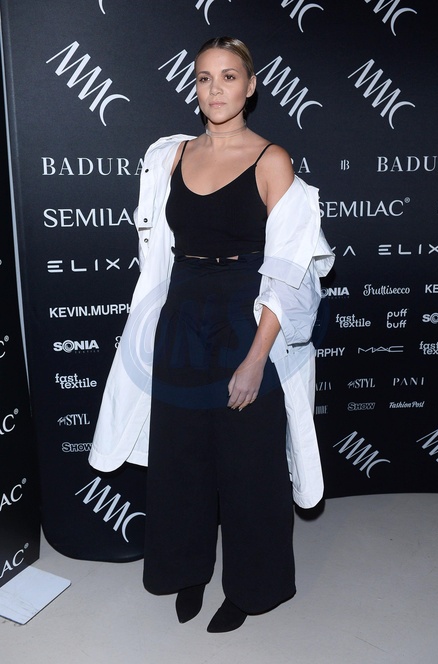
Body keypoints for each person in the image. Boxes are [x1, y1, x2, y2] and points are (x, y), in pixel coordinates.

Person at [89, 36, 334, 633]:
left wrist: (255, 359)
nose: (215, 88)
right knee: (180, 456)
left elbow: (289, 271)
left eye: (228, 76)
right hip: (181, 316)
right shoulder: (170, 157)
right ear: (194, 87)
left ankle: (253, 588)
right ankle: (187, 570)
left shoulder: (272, 160)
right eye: (204, 77)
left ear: (251, 86)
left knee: (251, 463)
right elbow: (157, 249)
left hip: (247, 318)